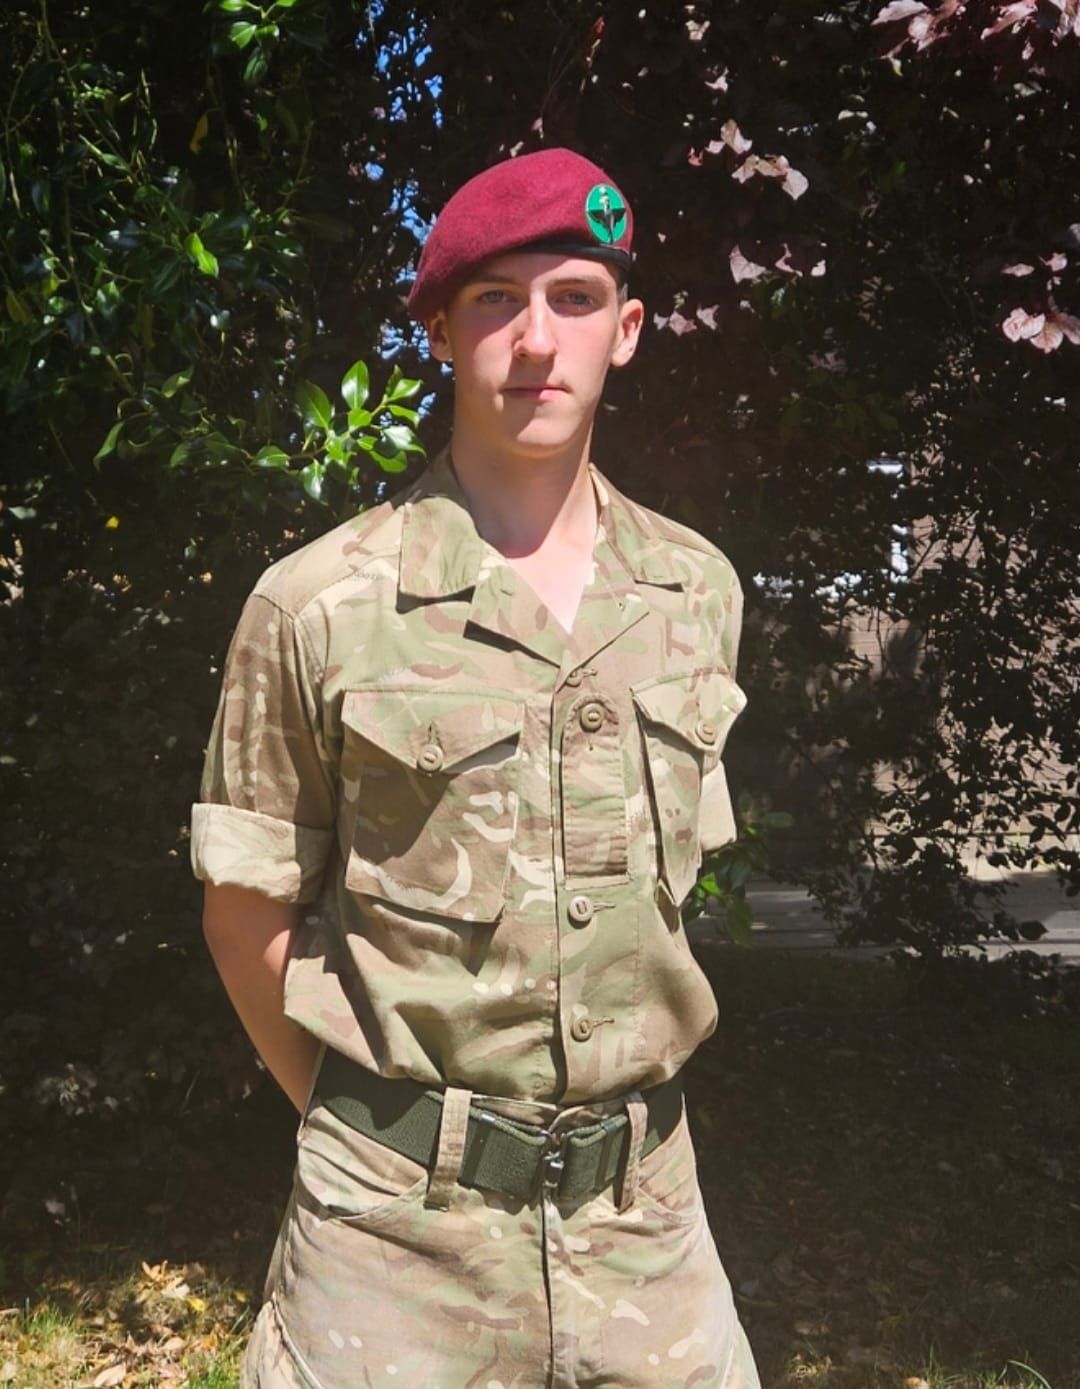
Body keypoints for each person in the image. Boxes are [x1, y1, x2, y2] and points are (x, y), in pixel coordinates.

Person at [193, 147, 760, 1389]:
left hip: (651, 1237)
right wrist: (393, 1142)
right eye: (495, 302)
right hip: (393, 1251)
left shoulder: (695, 592)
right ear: (444, 335)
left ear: (629, 331)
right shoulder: (320, 605)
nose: (535, 340)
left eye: (573, 297)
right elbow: (246, 915)